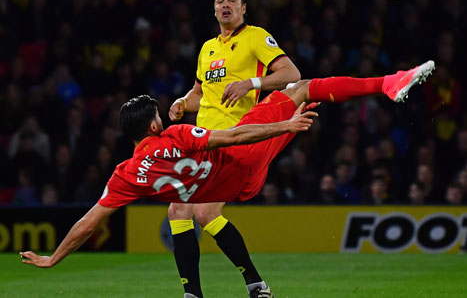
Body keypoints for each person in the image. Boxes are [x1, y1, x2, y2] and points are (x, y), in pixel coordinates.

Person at [20, 60, 434, 298]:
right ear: (151, 125)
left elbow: (89, 222)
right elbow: (234, 135)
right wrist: (286, 127)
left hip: (230, 191)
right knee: (301, 88)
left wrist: (54, 257)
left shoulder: (127, 174)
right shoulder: (176, 136)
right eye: (157, 112)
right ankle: (387, 83)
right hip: (243, 160)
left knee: (184, 209)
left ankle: (203, 291)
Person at [167, 0, 300, 298]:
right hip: (203, 141)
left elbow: (292, 74)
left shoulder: (255, 36)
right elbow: (201, 94)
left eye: (232, 0)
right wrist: (183, 103)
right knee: (182, 212)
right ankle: (214, 291)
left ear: (243, 9)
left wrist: (250, 83)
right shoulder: (207, 49)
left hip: (235, 139)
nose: (225, 5)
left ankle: (247, 286)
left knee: (199, 212)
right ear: (214, 9)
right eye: (220, 1)